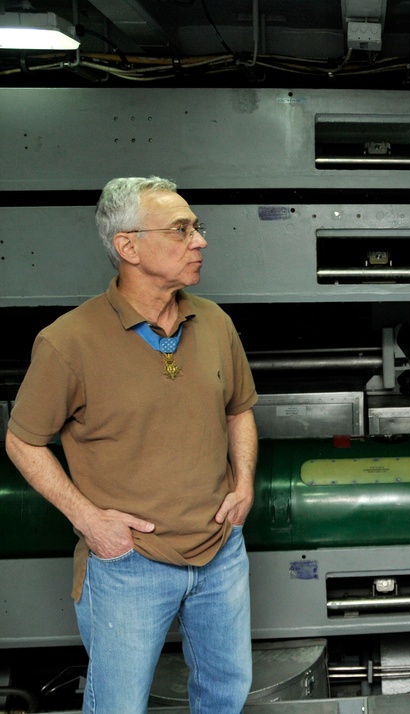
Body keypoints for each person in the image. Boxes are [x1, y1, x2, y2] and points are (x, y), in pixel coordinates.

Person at [4, 176, 258, 713]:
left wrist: (244, 485)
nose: (200, 241)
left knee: (225, 693)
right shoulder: (67, 342)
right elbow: (22, 441)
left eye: (197, 227)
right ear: (128, 246)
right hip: (129, 564)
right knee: (118, 706)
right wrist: (91, 521)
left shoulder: (214, 322)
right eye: (181, 229)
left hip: (221, 552)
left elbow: (239, 410)